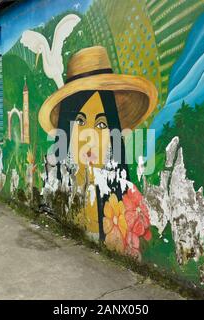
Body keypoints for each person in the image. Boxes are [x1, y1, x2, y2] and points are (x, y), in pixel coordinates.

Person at [39, 46, 157, 255]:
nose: (90, 136)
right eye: (81, 121)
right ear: (67, 127)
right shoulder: (58, 184)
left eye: (102, 125)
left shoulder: (126, 201)